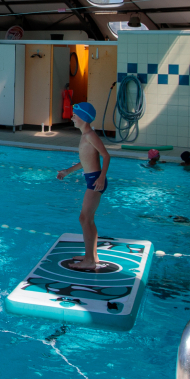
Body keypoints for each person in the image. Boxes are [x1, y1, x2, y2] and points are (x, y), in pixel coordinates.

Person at [54, 101, 113, 272]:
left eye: (74, 114)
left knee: (84, 218)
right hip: (92, 179)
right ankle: (92, 256)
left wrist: (102, 177)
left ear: (83, 118)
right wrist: (67, 171)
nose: (72, 117)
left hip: (96, 180)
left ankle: (89, 260)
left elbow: (106, 156)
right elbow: (85, 161)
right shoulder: (85, 135)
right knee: (88, 219)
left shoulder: (90, 135)